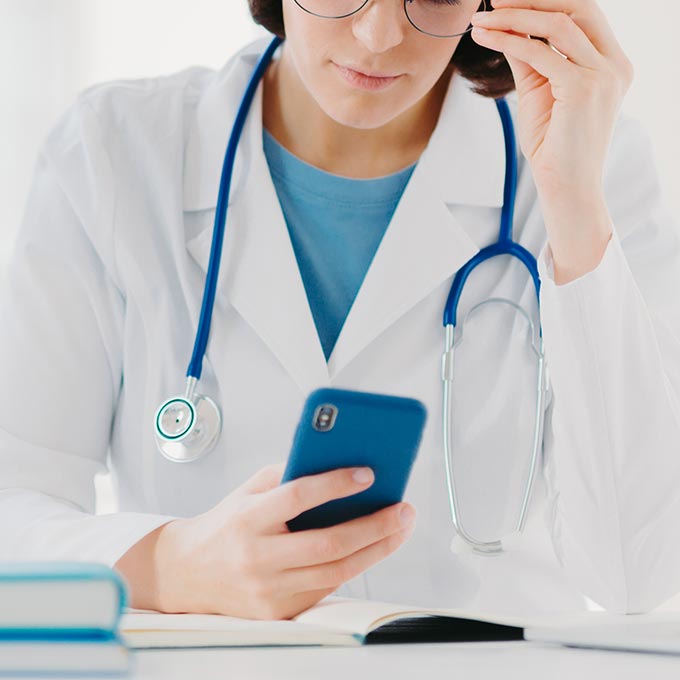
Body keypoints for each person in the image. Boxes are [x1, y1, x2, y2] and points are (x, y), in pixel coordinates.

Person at [1, 0, 680, 621]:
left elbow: (633, 575)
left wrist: (573, 204)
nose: (379, 35)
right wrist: (165, 564)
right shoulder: (113, 153)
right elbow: (15, 505)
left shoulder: (589, 161)